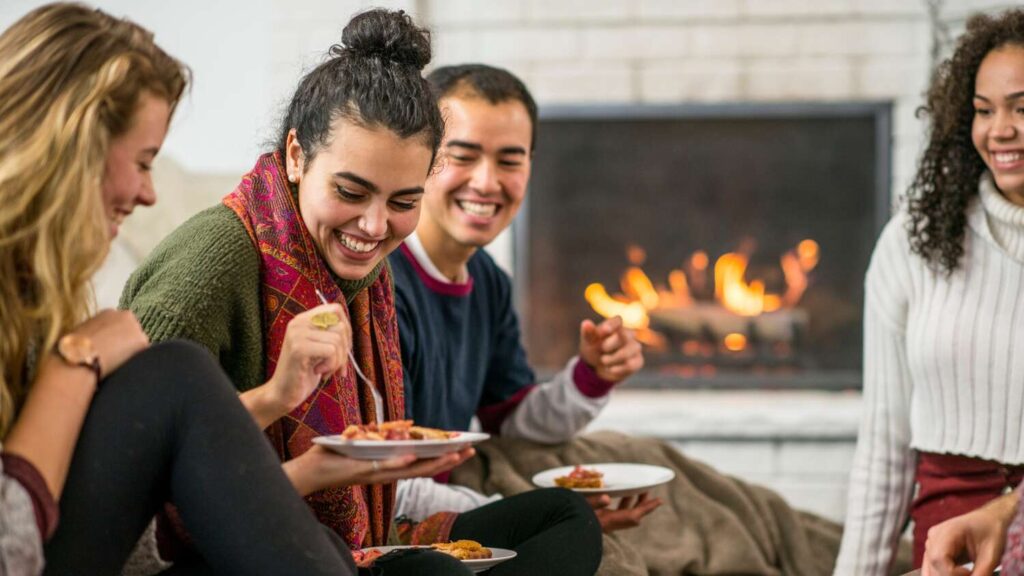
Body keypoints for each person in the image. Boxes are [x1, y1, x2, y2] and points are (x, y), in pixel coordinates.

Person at [121, 9, 602, 576]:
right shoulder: (210, 265)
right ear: (297, 156)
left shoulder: (364, 272)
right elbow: (129, 475)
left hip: (343, 536)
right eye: (352, 192)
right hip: (221, 551)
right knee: (433, 573)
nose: (375, 228)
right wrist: (291, 423)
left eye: (403, 202)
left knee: (567, 518)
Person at [0, 3, 372, 575]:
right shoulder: (211, 260)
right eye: (144, 161)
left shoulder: (36, 294)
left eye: (403, 200)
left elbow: (138, 483)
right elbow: (12, 548)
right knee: (171, 373)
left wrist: (278, 404)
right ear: (71, 150)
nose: (149, 194)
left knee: (344, 555)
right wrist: (74, 364)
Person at [387, 64, 659, 533]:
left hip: (457, 480)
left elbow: (512, 419)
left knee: (646, 460)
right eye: (463, 155)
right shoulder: (383, 285)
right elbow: (380, 487)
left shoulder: (488, 279)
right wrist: (532, 517)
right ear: (419, 156)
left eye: (510, 160)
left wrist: (591, 376)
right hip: (404, 509)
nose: (488, 183)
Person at [833, 7, 1024, 574]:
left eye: (1021, 107)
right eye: (983, 111)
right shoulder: (915, 241)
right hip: (944, 549)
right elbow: (883, 449)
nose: (1000, 130)